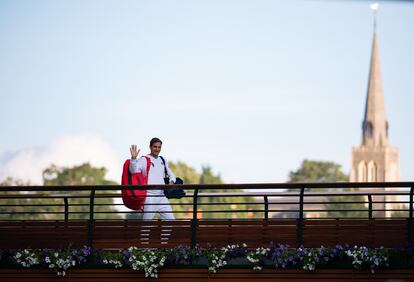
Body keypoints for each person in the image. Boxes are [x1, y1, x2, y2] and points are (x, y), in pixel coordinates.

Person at [129, 137, 176, 220]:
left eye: (159, 147)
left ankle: (165, 234)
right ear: (150, 147)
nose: (157, 149)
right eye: (155, 147)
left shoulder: (162, 159)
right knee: (147, 224)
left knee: (171, 220)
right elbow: (133, 171)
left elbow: (172, 175)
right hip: (150, 197)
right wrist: (133, 159)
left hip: (162, 196)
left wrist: (171, 182)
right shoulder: (144, 159)